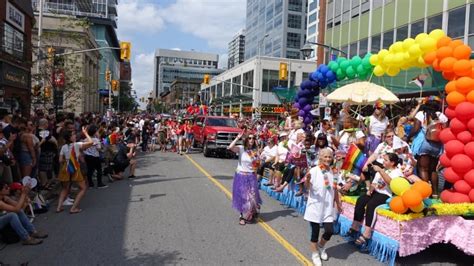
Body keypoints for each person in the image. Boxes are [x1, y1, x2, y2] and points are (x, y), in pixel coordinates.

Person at [345, 153, 402, 247]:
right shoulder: (382, 170)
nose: (383, 162)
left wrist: (380, 171)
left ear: (392, 163)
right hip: (376, 192)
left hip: (386, 194)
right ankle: (354, 227)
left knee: (371, 205)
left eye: (386, 160)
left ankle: (367, 233)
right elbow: (374, 184)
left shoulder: (397, 172)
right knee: (361, 200)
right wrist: (370, 190)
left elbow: (392, 184)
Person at [303, 148, 342, 266]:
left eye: (329, 157)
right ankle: (315, 254)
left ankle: (321, 246)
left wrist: (338, 203)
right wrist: (308, 180)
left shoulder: (334, 172)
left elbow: (334, 189)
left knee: (329, 231)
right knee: (315, 232)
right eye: (325, 156)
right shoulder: (314, 170)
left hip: (328, 207)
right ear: (320, 157)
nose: (327, 159)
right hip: (315, 206)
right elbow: (308, 187)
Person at [410, 97, 447, 198]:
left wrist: (407, 136)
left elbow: (416, 129)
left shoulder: (421, 114)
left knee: (423, 169)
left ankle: (426, 193)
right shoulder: (442, 116)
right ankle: (435, 193)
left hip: (424, 143)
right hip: (437, 145)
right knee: (433, 170)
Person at [56, 128, 94, 214]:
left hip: (65, 168)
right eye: (73, 135)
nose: (75, 136)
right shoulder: (77, 145)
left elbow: (60, 160)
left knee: (65, 188)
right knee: (83, 188)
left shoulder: (63, 147)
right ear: (70, 138)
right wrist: (86, 133)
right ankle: (73, 208)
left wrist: (67, 161)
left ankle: (59, 207)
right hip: (75, 167)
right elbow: (91, 142)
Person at [227, 132, 262, 225]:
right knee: (243, 197)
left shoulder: (255, 151)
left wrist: (258, 156)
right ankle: (241, 216)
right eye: (249, 138)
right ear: (246, 140)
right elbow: (230, 147)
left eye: (253, 138)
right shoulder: (241, 149)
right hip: (241, 176)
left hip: (251, 176)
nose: (251, 140)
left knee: (252, 197)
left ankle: (253, 211)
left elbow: (257, 165)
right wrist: (237, 138)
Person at [36, 118, 57, 190]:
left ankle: (45, 183)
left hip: (44, 151)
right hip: (46, 152)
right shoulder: (43, 132)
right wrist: (55, 147)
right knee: (44, 168)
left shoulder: (37, 131)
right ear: (45, 124)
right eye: (47, 123)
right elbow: (53, 140)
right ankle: (44, 183)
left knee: (44, 168)